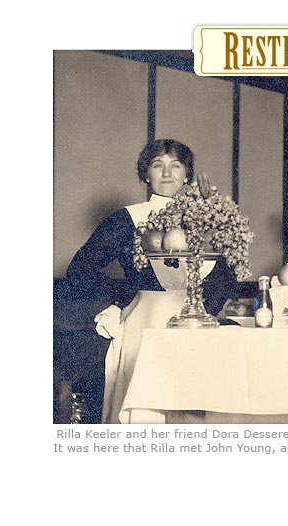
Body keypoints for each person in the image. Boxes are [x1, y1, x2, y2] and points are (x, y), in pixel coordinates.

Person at [64, 138, 241, 422]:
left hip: (197, 328)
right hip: (145, 323)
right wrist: (124, 298)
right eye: (158, 165)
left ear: (187, 174)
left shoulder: (205, 217)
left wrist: (208, 310)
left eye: (176, 165)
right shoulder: (128, 219)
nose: (167, 173)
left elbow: (226, 277)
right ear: (146, 174)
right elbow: (80, 270)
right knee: (148, 411)